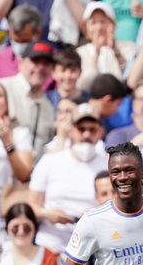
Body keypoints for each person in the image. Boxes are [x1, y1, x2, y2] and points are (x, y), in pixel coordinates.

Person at [30, 104, 109, 251]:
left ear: (101, 132)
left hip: (93, 248)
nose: (86, 135)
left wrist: (95, 216)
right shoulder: (50, 161)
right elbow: (31, 205)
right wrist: (46, 214)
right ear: (71, 131)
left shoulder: (109, 165)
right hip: (50, 244)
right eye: (81, 129)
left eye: (92, 129)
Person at [0, 42, 58, 159]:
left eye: (46, 63)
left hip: (35, 171)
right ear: (20, 61)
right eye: (35, 61)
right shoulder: (2, 89)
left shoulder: (48, 105)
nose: (40, 68)